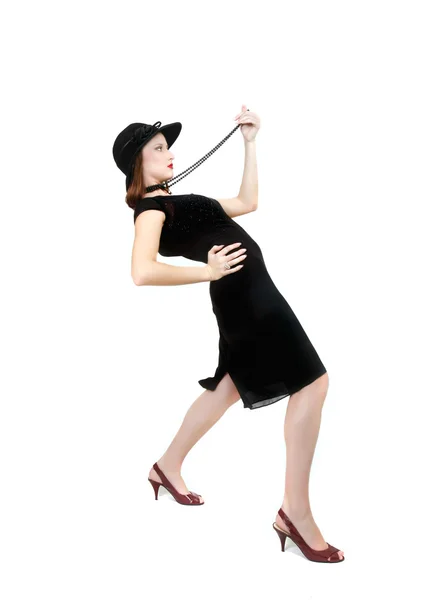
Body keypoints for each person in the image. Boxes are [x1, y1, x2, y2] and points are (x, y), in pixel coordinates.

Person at [112, 107, 345, 563]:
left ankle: (167, 466)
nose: (169, 153)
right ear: (138, 164)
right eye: (158, 149)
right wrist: (207, 271)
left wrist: (250, 143)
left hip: (252, 296)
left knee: (229, 387)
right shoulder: (150, 209)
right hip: (249, 301)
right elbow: (141, 272)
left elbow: (247, 201)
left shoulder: (180, 200)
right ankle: (295, 511)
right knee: (313, 383)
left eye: (168, 146)